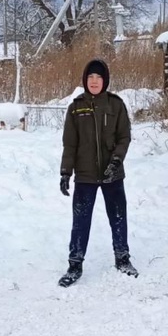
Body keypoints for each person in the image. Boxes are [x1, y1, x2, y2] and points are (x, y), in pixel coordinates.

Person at [57, 59, 134, 287]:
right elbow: (69, 144)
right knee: (81, 221)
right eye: (90, 77)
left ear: (105, 80)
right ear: (85, 80)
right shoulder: (76, 107)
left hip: (112, 174)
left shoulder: (115, 105)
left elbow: (124, 137)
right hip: (85, 175)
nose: (94, 81)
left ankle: (123, 258)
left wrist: (116, 161)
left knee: (118, 217)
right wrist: (65, 172)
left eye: (98, 77)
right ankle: (75, 264)